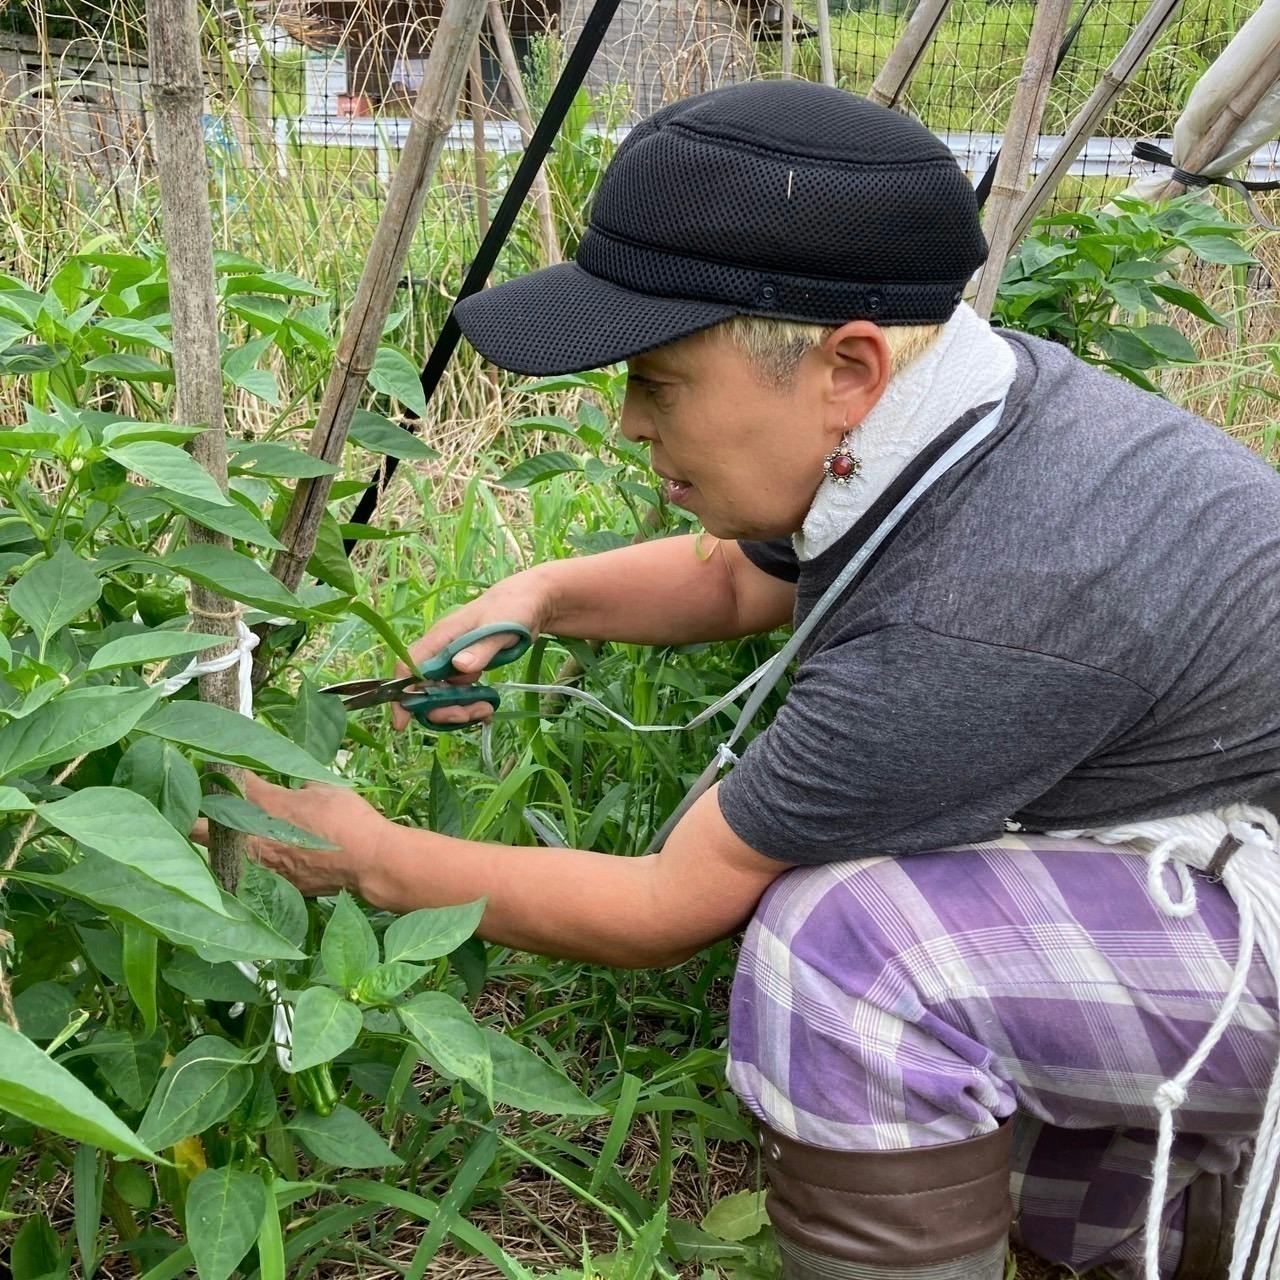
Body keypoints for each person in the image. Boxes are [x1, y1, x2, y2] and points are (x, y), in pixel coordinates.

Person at [233, 82, 1280, 1280]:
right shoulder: (955, 409)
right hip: (1209, 842)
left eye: (659, 381)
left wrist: (361, 851)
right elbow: (747, 578)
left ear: (844, 366)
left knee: (849, 950)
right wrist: (544, 593)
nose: (628, 423)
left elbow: (662, 907)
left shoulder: (991, 600)